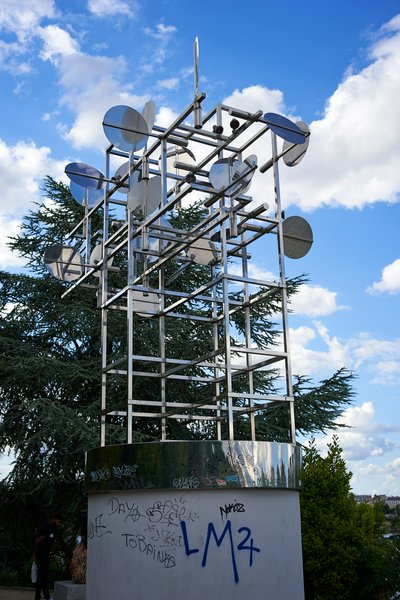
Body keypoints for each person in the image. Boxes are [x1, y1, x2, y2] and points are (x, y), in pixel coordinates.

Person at [33, 514, 63, 600]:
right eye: (59, 522)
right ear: (54, 519)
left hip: (45, 554)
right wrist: (36, 553)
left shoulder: (52, 528)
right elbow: (37, 540)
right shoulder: (47, 527)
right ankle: (40, 596)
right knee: (41, 576)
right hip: (42, 555)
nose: (59, 524)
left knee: (43, 576)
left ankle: (45, 596)